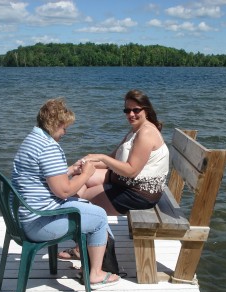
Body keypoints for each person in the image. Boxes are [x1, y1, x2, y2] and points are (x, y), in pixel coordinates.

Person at [11, 98, 120, 289]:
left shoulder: (33, 139)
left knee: (86, 206)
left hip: (23, 218)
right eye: (63, 127)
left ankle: (88, 254)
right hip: (38, 223)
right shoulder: (48, 147)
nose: (65, 132)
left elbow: (45, 178)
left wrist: (69, 171)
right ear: (55, 124)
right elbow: (63, 191)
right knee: (100, 217)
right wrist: (86, 173)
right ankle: (94, 274)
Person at [58, 89, 169, 260]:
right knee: (82, 177)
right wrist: (89, 162)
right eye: (127, 110)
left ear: (146, 109)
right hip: (125, 181)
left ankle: (86, 244)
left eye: (136, 110)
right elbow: (113, 159)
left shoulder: (146, 133)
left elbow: (131, 170)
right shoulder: (135, 130)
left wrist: (100, 157)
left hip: (139, 193)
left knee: (82, 200)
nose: (131, 114)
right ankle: (86, 237)